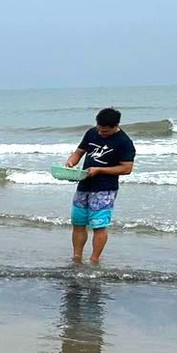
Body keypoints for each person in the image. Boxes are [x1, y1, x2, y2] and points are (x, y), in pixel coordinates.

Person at [64, 107, 135, 264]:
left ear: (116, 126)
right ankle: (77, 257)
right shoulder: (91, 133)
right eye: (99, 129)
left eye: (105, 132)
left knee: (99, 226)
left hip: (104, 189)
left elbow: (126, 168)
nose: (101, 133)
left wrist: (99, 169)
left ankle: (94, 259)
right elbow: (79, 152)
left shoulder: (124, 142)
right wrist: (71, 163)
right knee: (78, 223)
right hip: (83, 185)